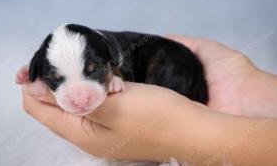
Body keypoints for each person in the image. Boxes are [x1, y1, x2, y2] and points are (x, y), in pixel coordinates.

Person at [19, 35, 277, 166]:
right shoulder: (76, 53)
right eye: (56, 79)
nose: (79, 96)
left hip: (176, 66)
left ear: (110, 58)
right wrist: (247, 85)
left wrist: (190, 136)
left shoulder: (110, 48)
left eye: (95, 72)